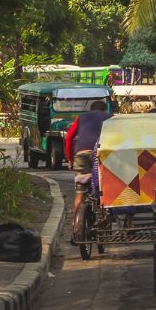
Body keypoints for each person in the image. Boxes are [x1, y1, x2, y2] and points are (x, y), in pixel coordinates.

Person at [67, 100, 112, 245]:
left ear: (90, 109)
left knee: (80, 192)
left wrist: (69, 158)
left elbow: (69, 137)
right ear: (104, 110)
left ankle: (75, 229)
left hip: (81, 154)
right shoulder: (110, 117)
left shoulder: (81, 117)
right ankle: (105, 218)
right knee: (106, 188)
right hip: (101, 155)